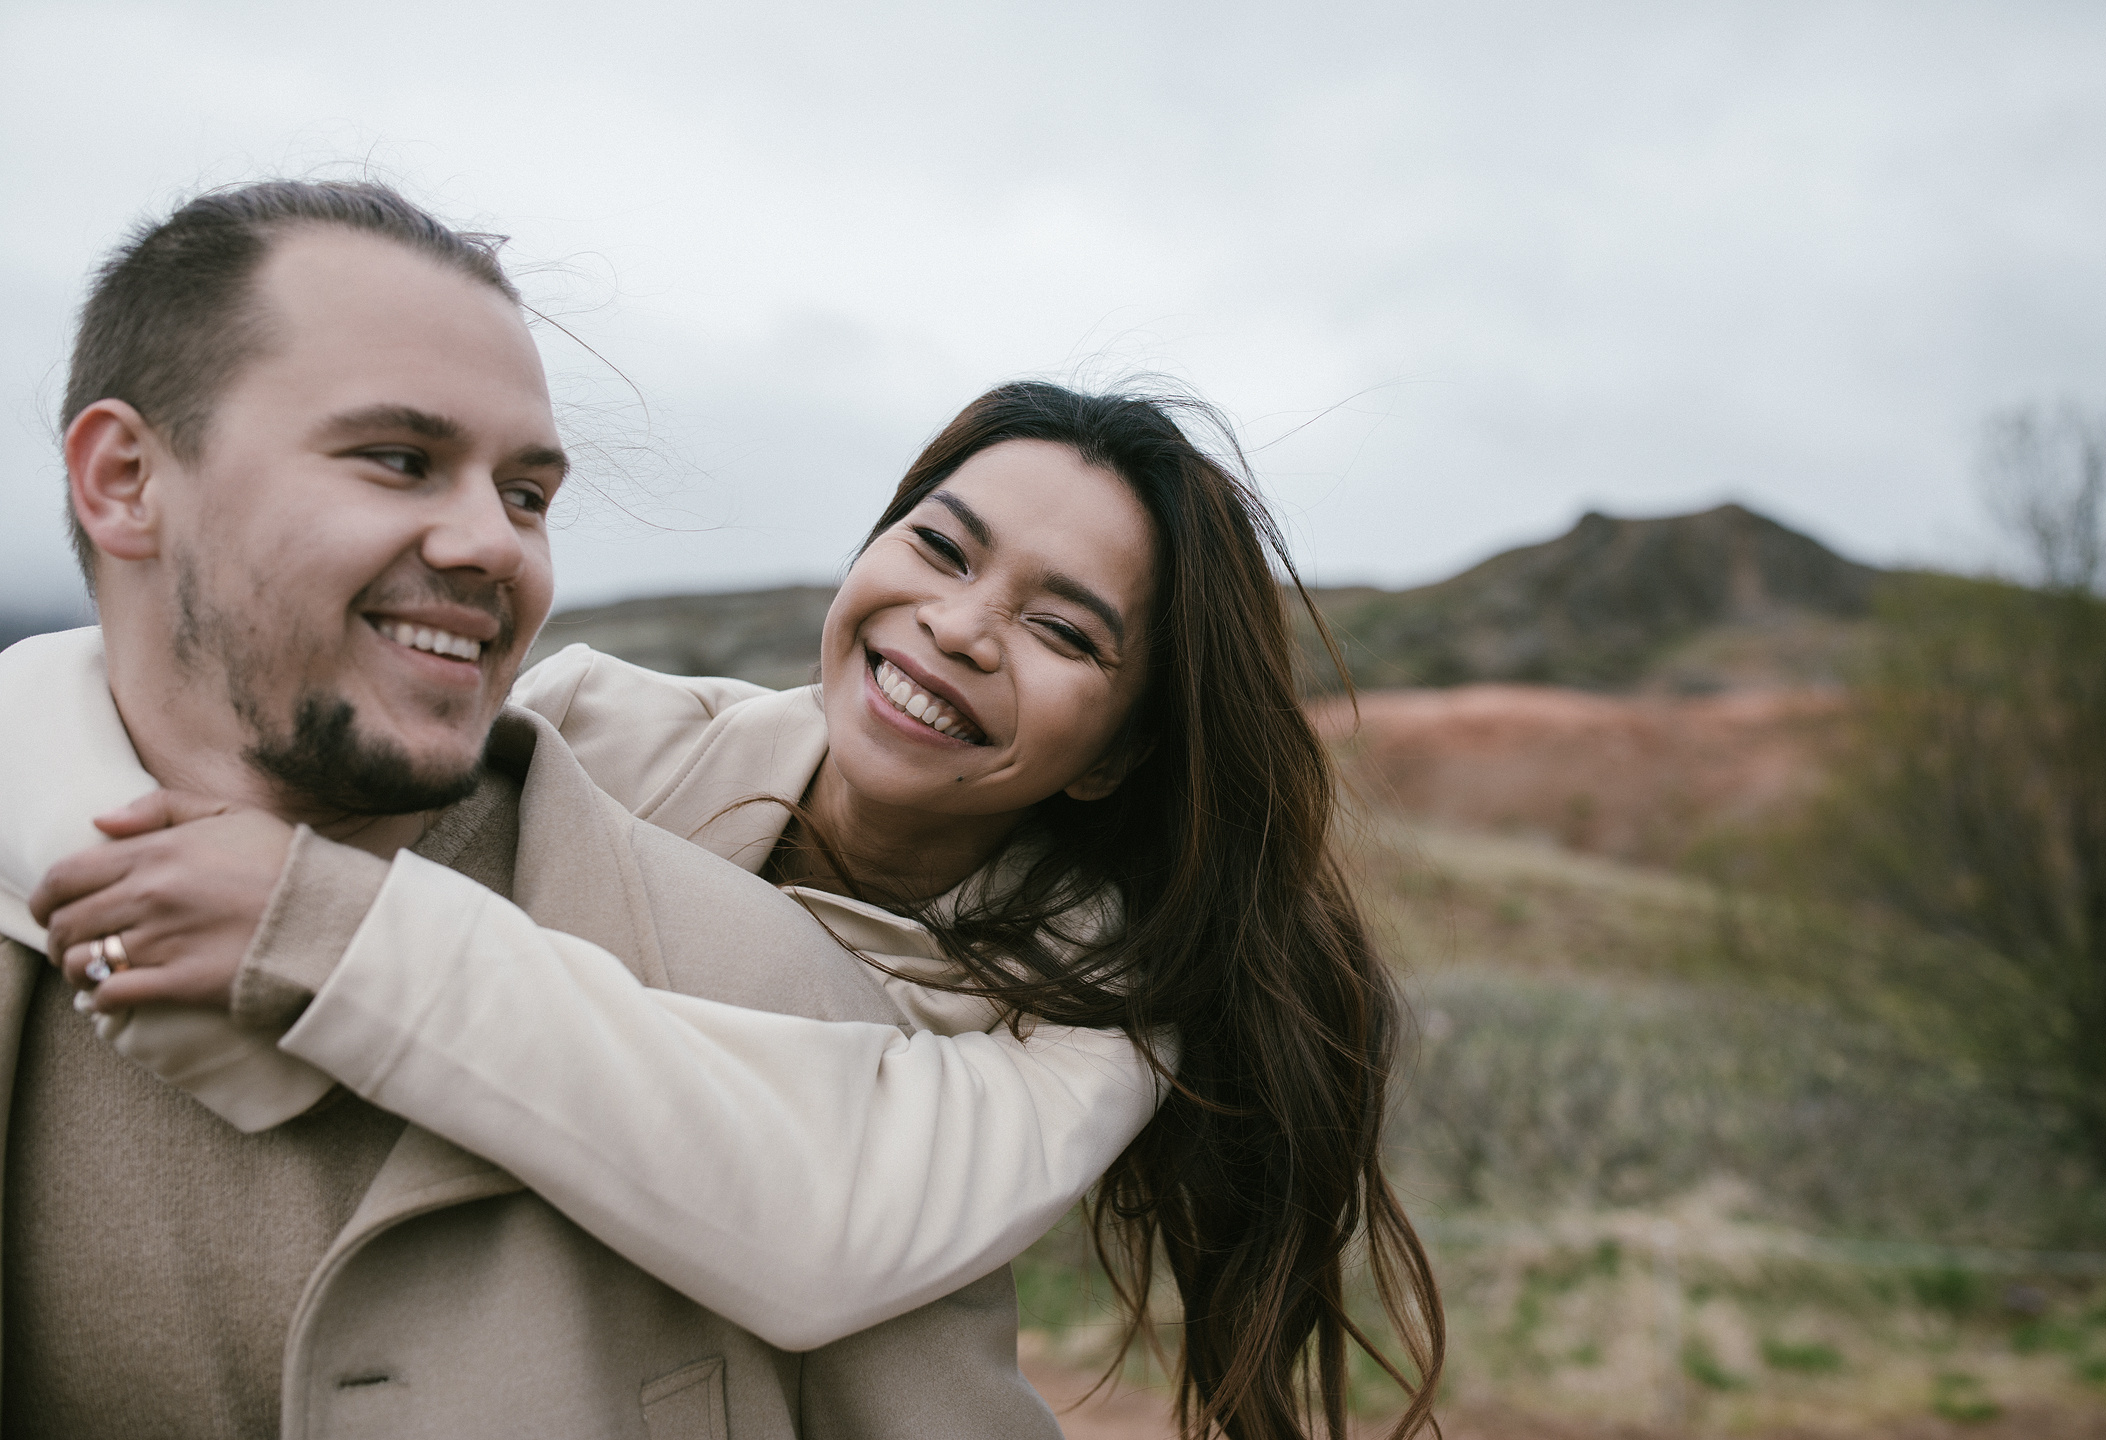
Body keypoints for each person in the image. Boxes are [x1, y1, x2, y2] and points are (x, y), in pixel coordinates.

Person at [29, 376, 1449, 1435]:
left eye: (1063, 628)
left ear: (1124, 752)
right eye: (941, 549)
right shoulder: (591, 727)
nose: (960, 624)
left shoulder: (1100, 1012)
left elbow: (826, 1218)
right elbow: (107, 704)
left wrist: (329, 931)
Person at [0, 179, 1067, 1438]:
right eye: (399, 460)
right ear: (123, 478)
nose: (498, 546)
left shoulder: (772, 986)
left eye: (526, 495)